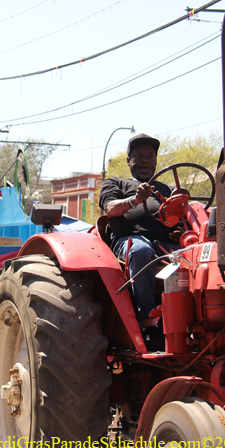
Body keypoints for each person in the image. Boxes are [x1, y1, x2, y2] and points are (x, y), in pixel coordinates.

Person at [98, 133, 176, 352]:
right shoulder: (115, 183)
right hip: (129, 241)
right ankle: (149, 323)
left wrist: (179, 231)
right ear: (128, 160)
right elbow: (111, 209)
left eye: (150, 156)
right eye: (139, 156)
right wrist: (135, 199)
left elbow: (176, 217)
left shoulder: (165, 189)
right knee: (142, 250)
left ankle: (188, 318)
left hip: (163, 242)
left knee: (192, 254)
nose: (145, 160)